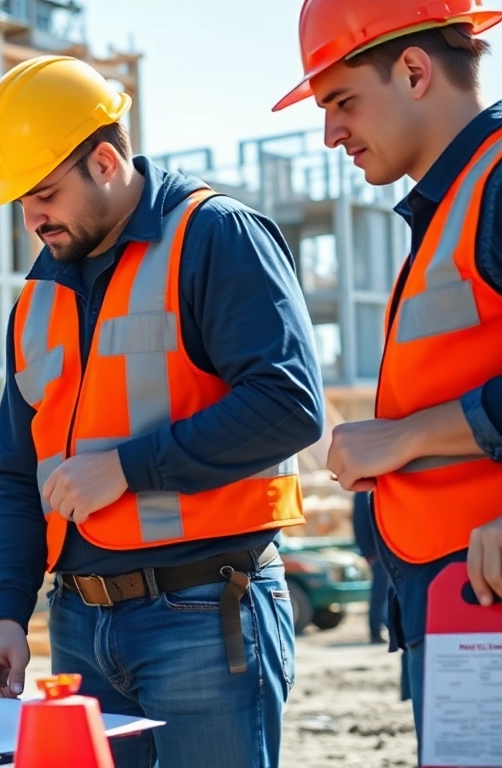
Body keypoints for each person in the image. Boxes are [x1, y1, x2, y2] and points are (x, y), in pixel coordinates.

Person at [0, 56, 324, 768]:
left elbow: (288, 405)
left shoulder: (216, 236)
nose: (31, 217)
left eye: (42, 193)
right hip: (77, 624)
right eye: (21, 202)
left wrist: (128, 470)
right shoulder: (37, 299)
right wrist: (6, 615)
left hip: (204, 614)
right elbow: (15, 477)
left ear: (105, 161)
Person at [276, 0, 502, 740]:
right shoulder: (452, 206)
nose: (330, 132)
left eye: (342, 101)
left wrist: (405, 438)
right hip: (457, 602)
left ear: (412, 70)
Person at [351, 491, 389, 643]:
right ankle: (376, 631)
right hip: (377, 553)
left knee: (391, 593)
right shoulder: (363, 492)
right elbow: (359, 522)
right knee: (380, 593)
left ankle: (388, 627)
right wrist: (368, 552)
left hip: (390, 550)